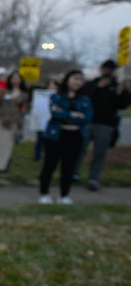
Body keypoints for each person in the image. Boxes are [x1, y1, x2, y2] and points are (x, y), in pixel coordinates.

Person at [75, 60, 131, 191]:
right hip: (88, 121)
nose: (107, 72)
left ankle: (93, 178)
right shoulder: (93, 83)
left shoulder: (117, 86)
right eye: (105, 69)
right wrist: (98, 87)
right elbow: (84, 96)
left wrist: (124, 91)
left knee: (99, 153)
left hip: (106, 124)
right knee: (80, 149)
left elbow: (122, 105)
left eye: (110, 70)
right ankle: (74, 173)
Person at [39, 70, 93, 204]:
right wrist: (72, 115)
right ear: (67, 80)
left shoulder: (85, 100)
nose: (78, 82)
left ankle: (65, 194)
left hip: (75, 136)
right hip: (56, 135)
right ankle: (44, 193)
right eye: (75, 78)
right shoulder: (56, 97)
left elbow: (87, 117)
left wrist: (69, 115)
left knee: (69, 167)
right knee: (50, 165)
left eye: (80, 79)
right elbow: (56, 114)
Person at [0, 72, 29, 172]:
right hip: (0, 120)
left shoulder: (24, 95)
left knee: (7, 145)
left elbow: (24, 110)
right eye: (13, 78)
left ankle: (2, 166)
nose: (15, 80)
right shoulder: (3, 91)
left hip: (13, 122)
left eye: (17, 78)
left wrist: (19, 122)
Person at [33, 78, 59, 161]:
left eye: (54, 85)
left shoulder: (59, 96)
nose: (52, 87)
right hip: (41, 121)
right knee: (40, 139)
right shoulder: (41, 95)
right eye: (51, 85)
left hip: (52, 121)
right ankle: (37, 155)